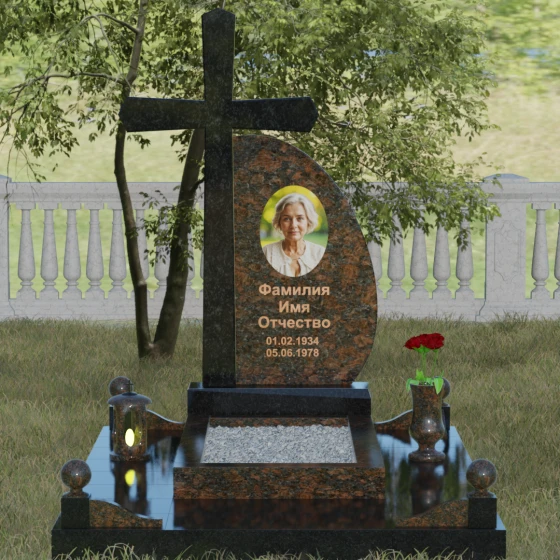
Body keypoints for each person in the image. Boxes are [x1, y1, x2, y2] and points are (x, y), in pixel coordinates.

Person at [263, 193, 325, 277]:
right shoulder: (267, 253)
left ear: (308, 222)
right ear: (279, 223)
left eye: (300, 218)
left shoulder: (320, 253)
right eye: (287, 219)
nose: (293, 225)